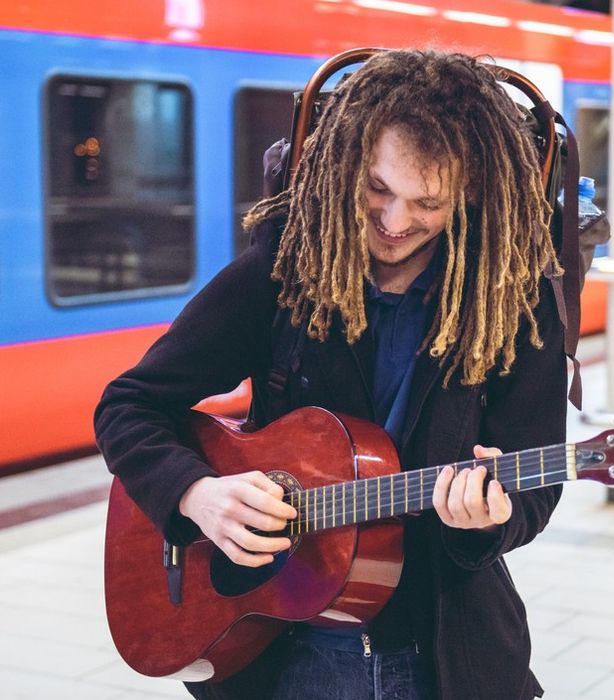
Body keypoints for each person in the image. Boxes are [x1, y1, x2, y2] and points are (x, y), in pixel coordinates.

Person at [95, 49, 570, 700]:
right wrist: (195, 496)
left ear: (470, 194)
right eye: (377, 190)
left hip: (443, 652)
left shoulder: (513, 297)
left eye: (426, 202)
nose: (395, 223)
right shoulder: (288, 266)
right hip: (282, 651)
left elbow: (533, 483)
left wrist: (487, 521)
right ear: (346, 165)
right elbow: (128, 406)